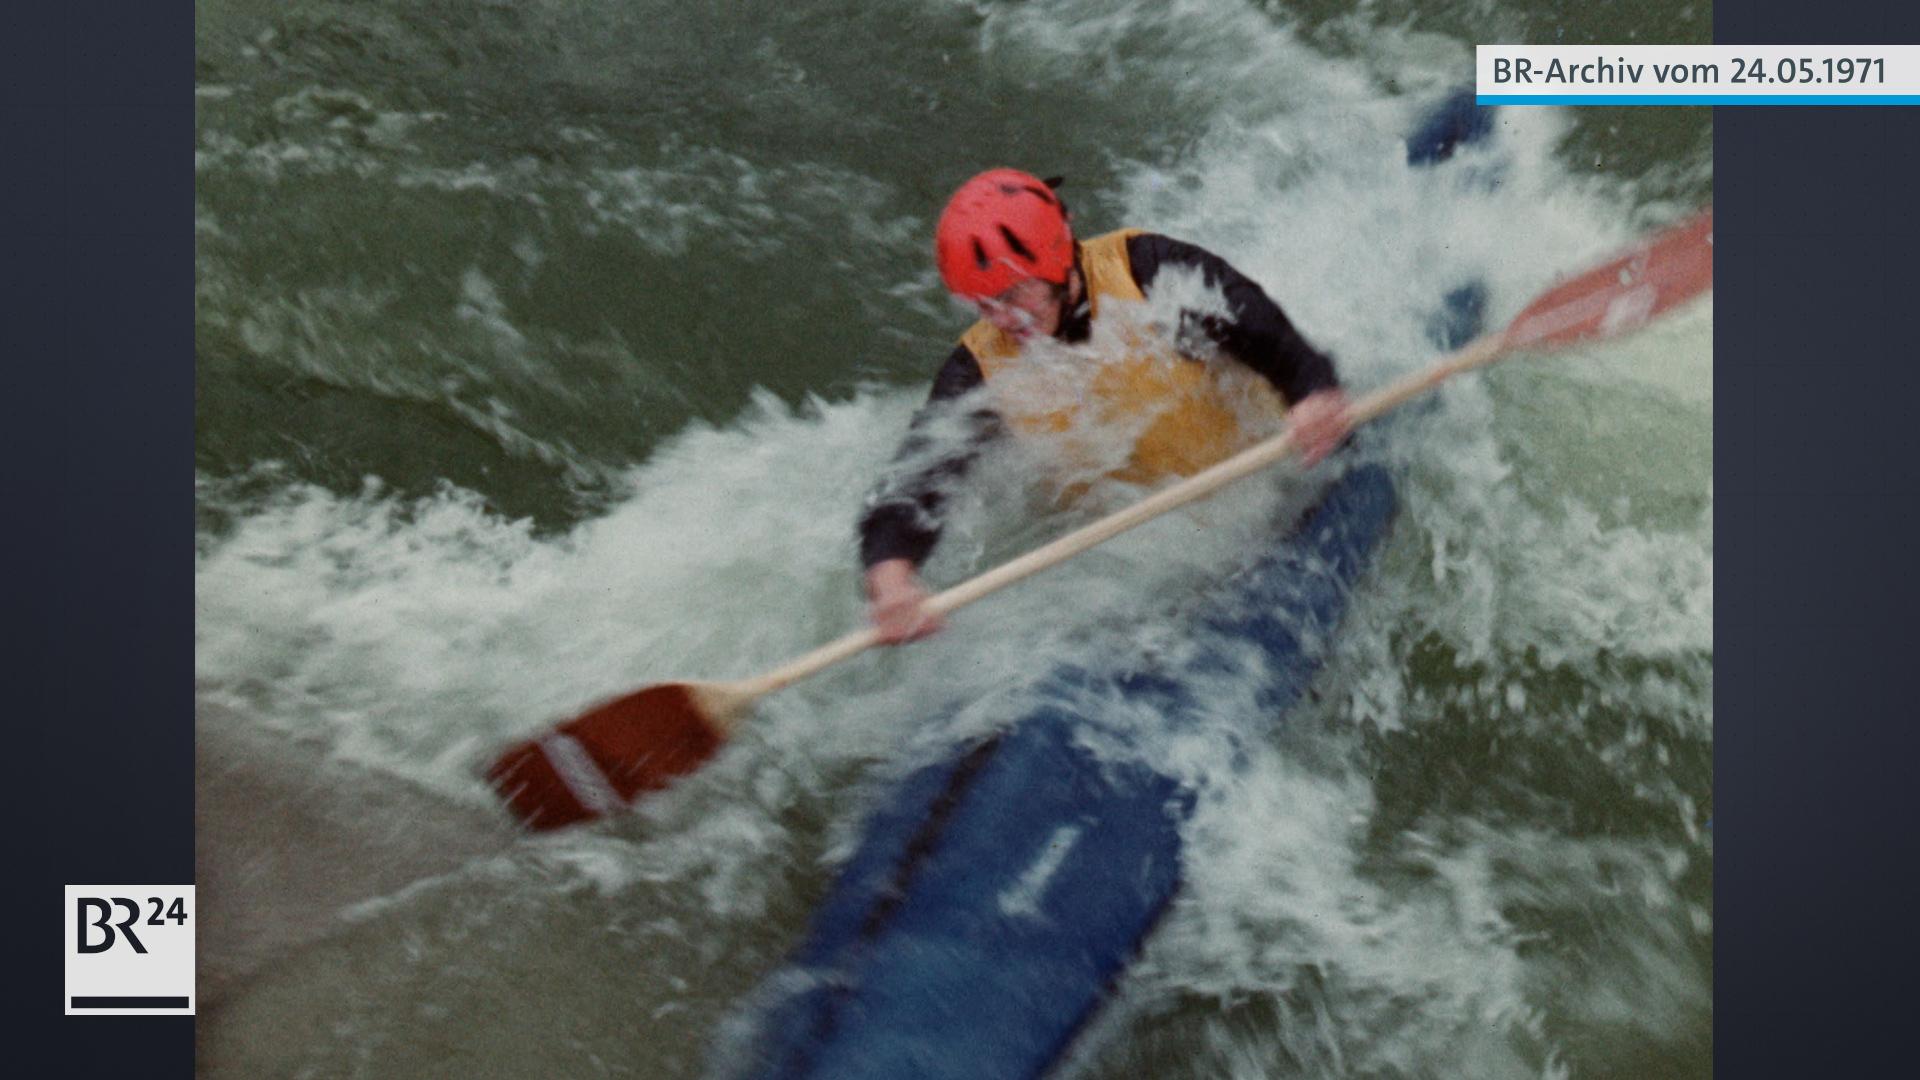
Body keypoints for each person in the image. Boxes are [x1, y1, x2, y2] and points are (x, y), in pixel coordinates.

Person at [858, 168, 1354, 643]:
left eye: (1015, 294)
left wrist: (1311, 390)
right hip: (1155, 558)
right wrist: (892, 573)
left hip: (1279, 485)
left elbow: (1261, 326)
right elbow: (920, 474)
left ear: (1057, 259)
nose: (1003, 319)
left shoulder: (1149, 272)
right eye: (984, 304)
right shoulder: (981, 368)